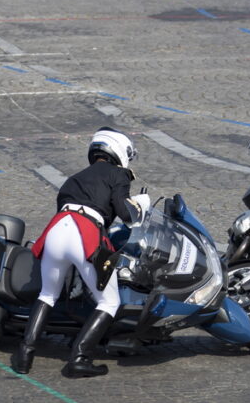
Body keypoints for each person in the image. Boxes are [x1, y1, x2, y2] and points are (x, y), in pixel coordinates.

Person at [11, 127, 149, 378]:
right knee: (109, 302)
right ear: (120, 151)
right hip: (83, 232)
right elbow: (127, 215)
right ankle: (79, 358)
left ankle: (24, 354)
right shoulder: (119, 173)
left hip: (56, 229)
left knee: (47, 294)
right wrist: (141, 205)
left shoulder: (73, 178)